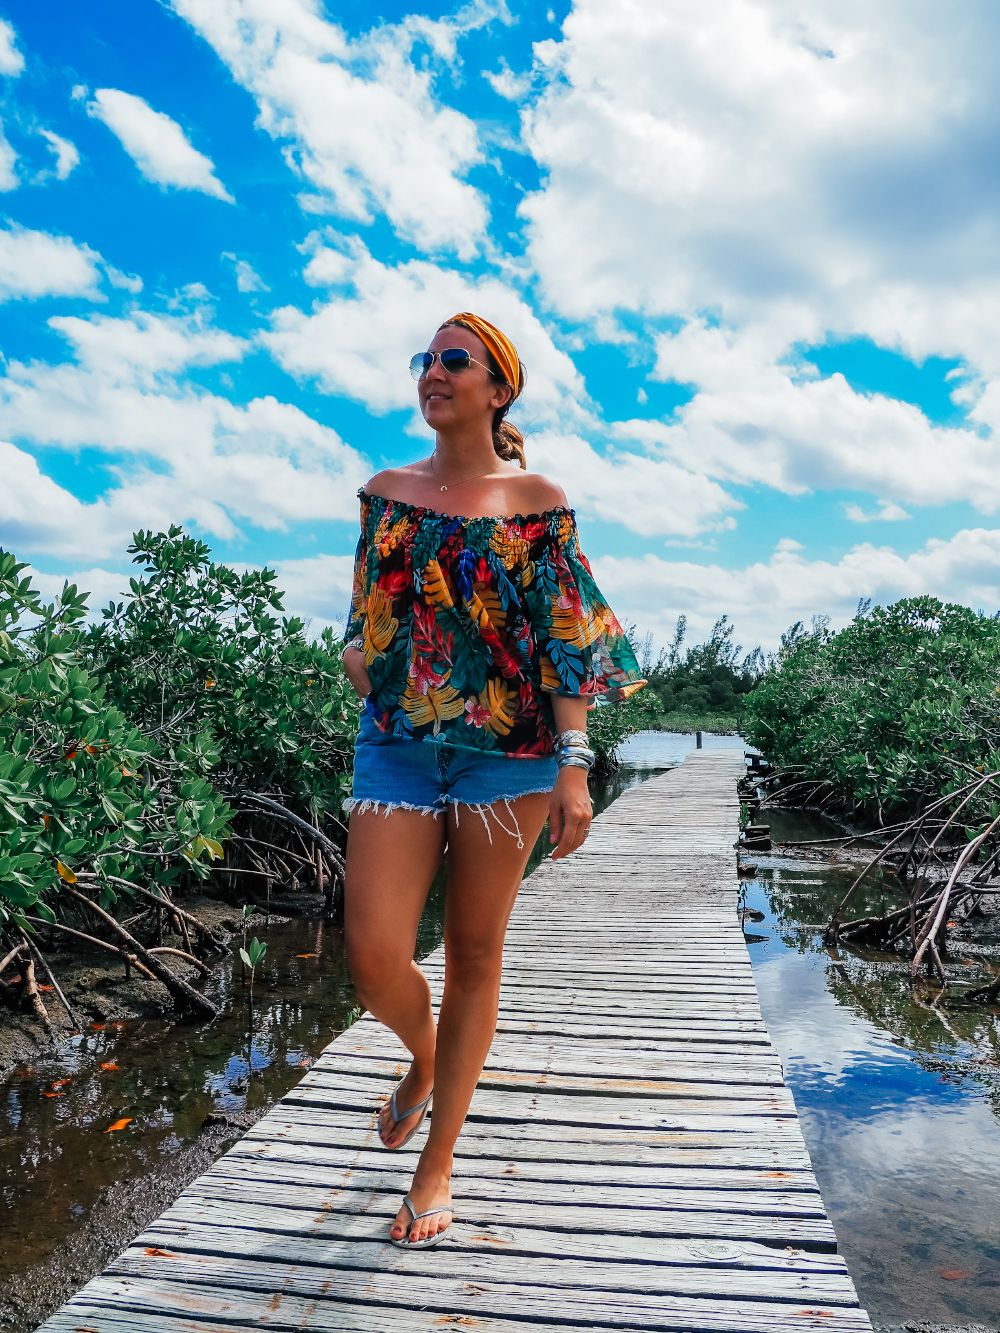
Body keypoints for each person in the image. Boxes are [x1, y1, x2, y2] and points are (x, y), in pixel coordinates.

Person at [341, 311, 645, 1248]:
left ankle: (437, 1164)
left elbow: (568, 638)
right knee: (374, 957)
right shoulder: (386, 493)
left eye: (454, 361)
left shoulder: (537, 501)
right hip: (397, 744)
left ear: (498, 388)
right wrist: (360, 659)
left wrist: (575, 765)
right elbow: (361, 616)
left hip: (508, 757)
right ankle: (427, 1059)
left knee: (474, 952)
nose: (433, 373)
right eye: (425, 360)